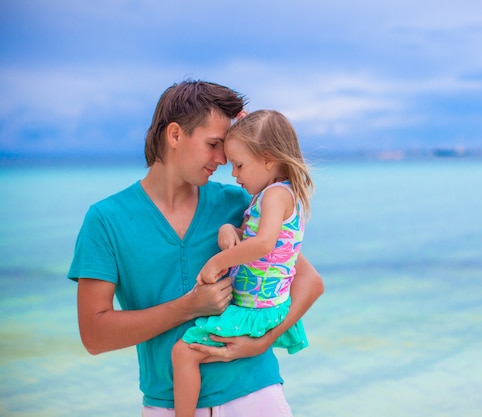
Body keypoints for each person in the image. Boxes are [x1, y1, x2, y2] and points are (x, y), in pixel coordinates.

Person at [67, 80, 324, 417]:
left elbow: (309, 282)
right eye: (214, 144)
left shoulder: (240, 202)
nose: (222, 160)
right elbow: (95, 336)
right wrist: (189, 307)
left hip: (257, 395)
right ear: (175, 135)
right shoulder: (105, 220)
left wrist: (263, 340)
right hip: (169, 406)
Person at [171, 110, 314, 417]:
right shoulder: (276, 195)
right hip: (267, 307)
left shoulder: (274, 195)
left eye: (239, 165)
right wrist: (229, 231)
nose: (234, 174)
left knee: (183, 353)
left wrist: (216, 262)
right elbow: (262, 240)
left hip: (255, 312)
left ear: (268, 158)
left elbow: (262, 244)